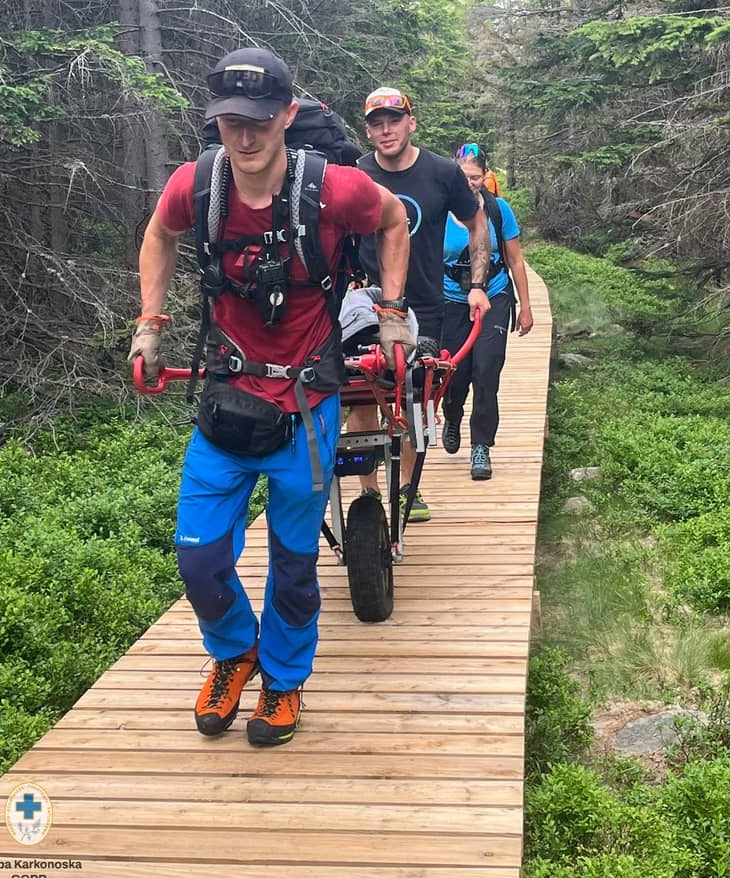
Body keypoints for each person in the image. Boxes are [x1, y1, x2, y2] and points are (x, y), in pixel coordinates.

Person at [128, 48, 412, 746]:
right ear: (217, 121)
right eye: (231, 121)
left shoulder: (334, 189)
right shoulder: (198, 186)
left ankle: (283, 681)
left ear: (287, 114)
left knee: (293, 563)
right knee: (198, 559)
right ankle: (235, 653)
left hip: (306, 407)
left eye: (259, 120)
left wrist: (392, 312)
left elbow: (393, 222)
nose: (245, 136)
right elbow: (159, 233)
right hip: (226, 399)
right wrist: (149, 323)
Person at [345, 87, 491, 521]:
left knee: (417, 396)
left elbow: (477, 223)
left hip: (425, 303)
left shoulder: (442, 173)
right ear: (368, 131)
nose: (386, 130)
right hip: (365, 305)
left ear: (411, 122)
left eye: (394, 120)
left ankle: (407, 488)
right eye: (376, 123)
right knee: (361, 396)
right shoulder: (355, 174)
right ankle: (369, 494)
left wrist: (477, 284)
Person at [441, 143, 534, 480]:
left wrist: (526, 306)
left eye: (476, 177)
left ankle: (481, 445)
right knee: (454, 373)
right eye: (464, 176)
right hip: (450, 298)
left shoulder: (498, 209)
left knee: (486, 371)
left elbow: (515, 259)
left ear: (486, 176)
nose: (470, 183)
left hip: (494, 295)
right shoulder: (441, 208)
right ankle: (452, 414)